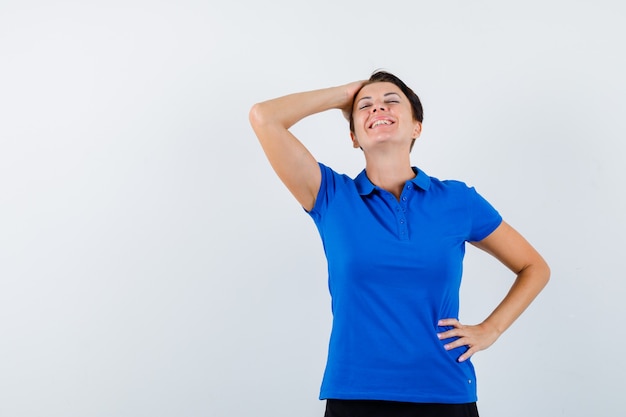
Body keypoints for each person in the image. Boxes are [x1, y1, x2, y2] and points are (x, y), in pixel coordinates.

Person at [249, 71, 550, 417]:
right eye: (365, 106)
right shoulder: (329, 195)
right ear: (353, 137)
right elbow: (264, 117)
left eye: (391, 101)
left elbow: (534, 267)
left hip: (445, 394)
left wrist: (490, 330)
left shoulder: (457, 200)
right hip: (356, 395)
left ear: (416, 127)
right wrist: (344, 94)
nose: (378, 108)